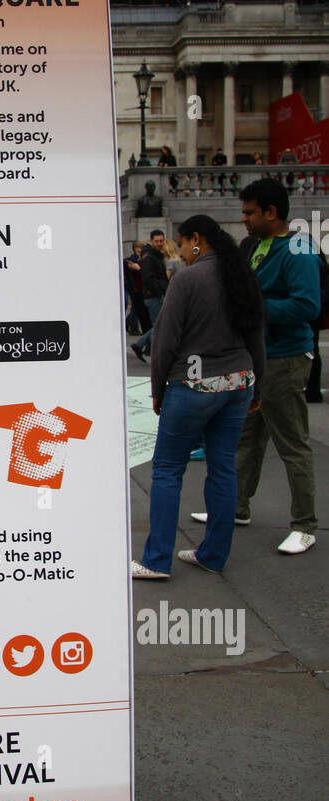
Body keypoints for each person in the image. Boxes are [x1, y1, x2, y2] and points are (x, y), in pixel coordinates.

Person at [132, 215, 265, 579]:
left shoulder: (188, 279)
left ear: (196, 240)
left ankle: (156, 559)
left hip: (193, 384)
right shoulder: (241, 276)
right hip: (239, 381)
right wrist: (259, 386)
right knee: (222, 467)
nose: (184, 251)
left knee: (167, 470)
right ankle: (213, 555)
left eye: (184, 242)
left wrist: (158, 389)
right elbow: (256, 337)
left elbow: (165, 341)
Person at [194, 178, 321, 555]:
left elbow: (307, 306)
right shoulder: (256, 245)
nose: (244, 219)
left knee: (292, 443)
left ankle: (305, 525)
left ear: (272, 212)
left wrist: (254, 307)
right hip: (256, 358)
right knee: (246, 439)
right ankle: (236, 507)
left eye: (250, 212)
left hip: (284, 359)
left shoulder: (298, 247)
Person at [131, 229, 168, 361]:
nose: (159, 243)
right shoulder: (150, 258)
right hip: (153, 296)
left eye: (161, 240)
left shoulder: (155, 256)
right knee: (160, 325)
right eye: (156, 241)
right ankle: (150, 349)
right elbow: (147, 278)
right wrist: (158, 291)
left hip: (155, 294)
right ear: (151, 241)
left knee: (159, 325)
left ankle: (140, 344)